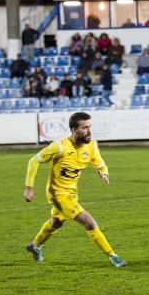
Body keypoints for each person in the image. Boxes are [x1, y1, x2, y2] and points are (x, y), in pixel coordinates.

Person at [23, 112, 126, 267]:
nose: (89, 131)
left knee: (56, 222)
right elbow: (33, 161)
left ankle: (35, 246)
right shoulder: (59, 147)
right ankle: (113, 256)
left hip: (72, 194)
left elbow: (100, 164)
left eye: (89, 126)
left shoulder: (91, 145)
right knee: (89, 223)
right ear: (74, 130)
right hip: (57, 194)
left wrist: (103, 172)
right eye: (85, 128)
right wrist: (29, 188)